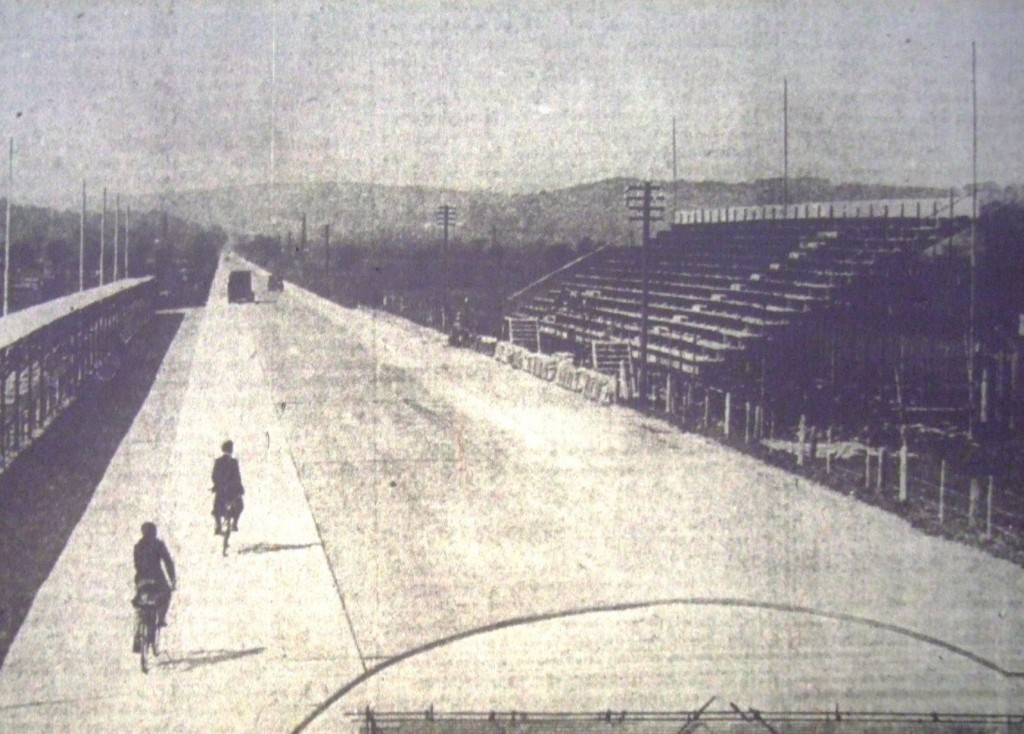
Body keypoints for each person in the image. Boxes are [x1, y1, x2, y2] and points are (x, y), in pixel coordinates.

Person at [133, 522, 176, 628]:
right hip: (157, 577)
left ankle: (141, 614)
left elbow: (137, 564)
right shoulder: (158, 545)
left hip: (141, 578)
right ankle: (161, 618)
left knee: (140, 595)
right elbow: (168, 562)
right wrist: (172, 579)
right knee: (167, 593)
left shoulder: (138, 546)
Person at [211, 440, 245, 534]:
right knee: (240, 505)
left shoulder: (218, 461)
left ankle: (218, 526)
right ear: (231, 450)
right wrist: (240, 489)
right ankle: (234, 523)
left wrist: (217, 485)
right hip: (232, 491)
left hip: (221, 490)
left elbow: (214, 476)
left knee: (217, 507)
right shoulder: (234, 462)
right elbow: (237, 477)